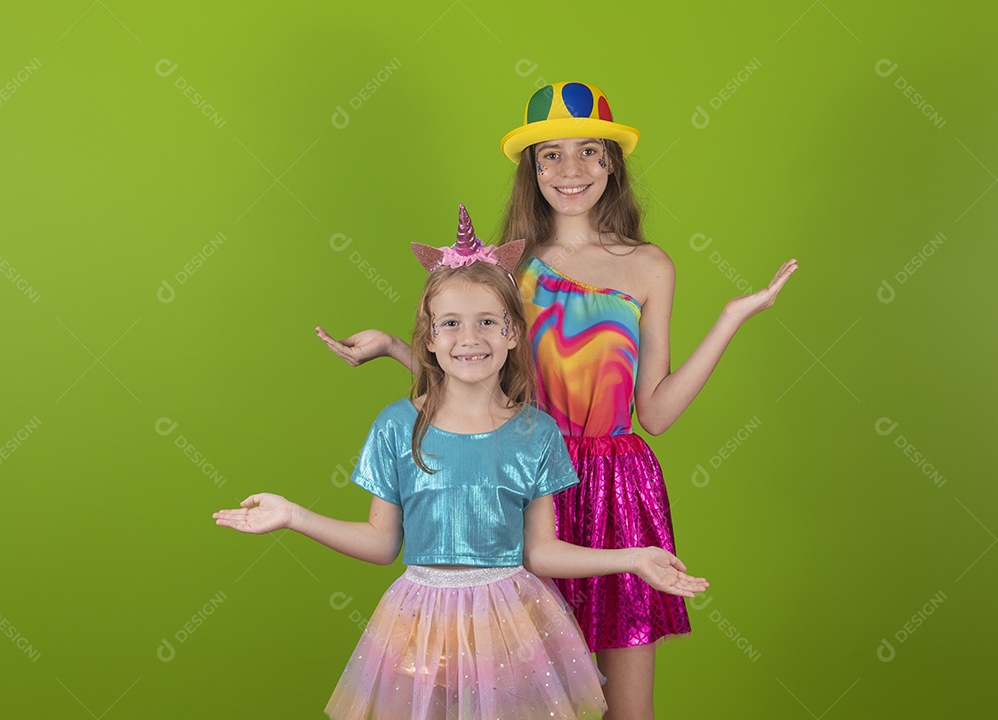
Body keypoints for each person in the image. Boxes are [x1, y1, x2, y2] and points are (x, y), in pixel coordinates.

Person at [316, 82, 796, 719]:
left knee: (628, 707)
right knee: (520, 703)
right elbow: (475, 379)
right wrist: (393, 349)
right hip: (516, 478)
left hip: (620, 491)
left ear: (611, 164)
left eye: (590, 152)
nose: (571, 171)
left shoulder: (652, 266)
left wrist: (731, 319)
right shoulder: (509, 267)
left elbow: (655, 412)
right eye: (550, 156)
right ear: (531, 169)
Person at [217, 207, 709, 720]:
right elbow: (381, 542)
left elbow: (541, 552)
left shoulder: (535, 433)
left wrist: (632, 558)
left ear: (513, 333)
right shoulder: (396, 426)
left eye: (487, 323)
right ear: (429, 336)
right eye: (450, 324)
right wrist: (294, 515)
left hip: (510, 624)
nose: (469, 338)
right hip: (418, 624)